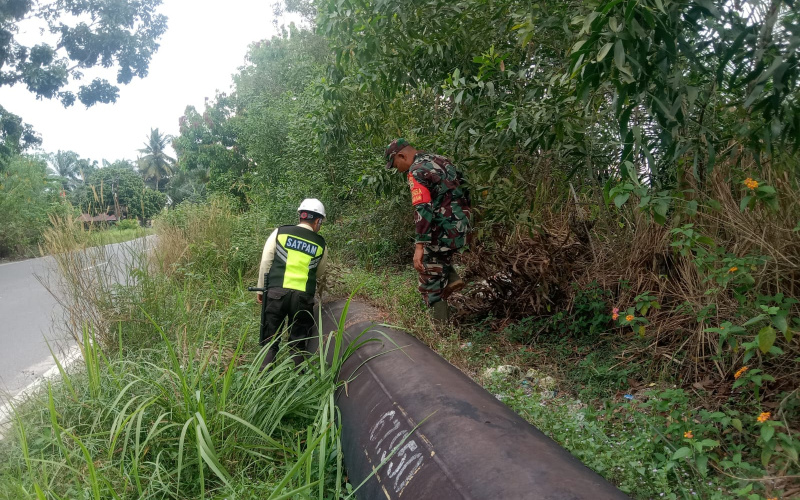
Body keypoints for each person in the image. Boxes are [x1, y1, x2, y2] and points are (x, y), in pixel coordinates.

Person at [384, 138, 471, 324]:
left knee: (429, 282)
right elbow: (466, 187)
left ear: (402, 155)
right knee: (439, 262)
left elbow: (423, 208)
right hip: (460, 227)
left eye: (395, 164)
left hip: (440, 233)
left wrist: (420, 246)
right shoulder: (442, 160)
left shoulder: (416, 171)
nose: (396, 168)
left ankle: (442, 332)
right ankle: (452, 277)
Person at [255, 198, 328, 369]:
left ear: (301, 216)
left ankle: (264, 382)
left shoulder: (280, 232)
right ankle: (296, 384)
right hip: (303, 298)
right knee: (298, 343)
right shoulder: (321, 244)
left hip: (276, 293)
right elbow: (319, 271)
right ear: (318, 220)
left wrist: (261, 290)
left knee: (270, 340)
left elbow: (266, 260)